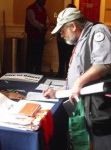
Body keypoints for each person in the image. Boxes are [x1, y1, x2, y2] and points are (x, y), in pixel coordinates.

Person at [43, 7, 111, 150]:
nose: (61, 35)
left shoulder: (97, 31)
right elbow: (76, 79)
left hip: (100, 108)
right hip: (87, 107)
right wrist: (56, 92)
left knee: (102, 145)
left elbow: (105, 64)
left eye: (62, 30)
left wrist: (79, 82)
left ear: (73, 26)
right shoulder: (80, 41)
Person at [25, 0, 49, 74]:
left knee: (39, 56)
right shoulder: (31, 9)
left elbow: (47, 20)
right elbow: (33, 21)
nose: (45, 2)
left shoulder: (44, 10)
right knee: (31, 56)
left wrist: (47, 26)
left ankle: (38, 72)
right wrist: (42, 27)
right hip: (32, 37)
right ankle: (29, 73)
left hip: (40, 37)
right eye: (43, 0)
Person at [56, 4, 76, 78]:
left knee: (69, 58)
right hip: (61, 40)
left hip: (68, 40)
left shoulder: (74, 20)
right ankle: (61, 73)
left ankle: (67, 74)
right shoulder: (62, 17)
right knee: (62, 58)